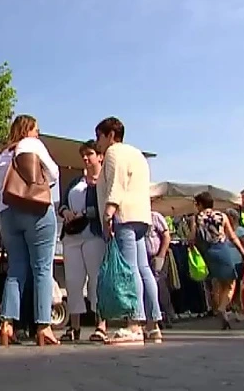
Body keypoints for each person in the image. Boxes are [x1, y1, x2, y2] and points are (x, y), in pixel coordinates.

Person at [0, 115, 60, 347]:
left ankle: (7, 324)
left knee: (16, 269)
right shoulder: (31, 145)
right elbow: (54, 173)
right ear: (26, 130)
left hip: (7, 213)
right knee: (42, 268)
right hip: (35, 210)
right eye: (36, 129)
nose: (38, 134)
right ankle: (43, 326)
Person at [94, 116, 161, 345]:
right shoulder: (137, 154)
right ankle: (154, 324)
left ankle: (134, 323)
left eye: (99, 136)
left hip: (124, 214)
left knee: (130, 268)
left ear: (110, 135)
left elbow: (117, 184)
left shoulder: (114, 153)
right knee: (143, 269)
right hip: (141, 215)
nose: (98, 142)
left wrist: (108, 212)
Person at [57, 140, 107, 342]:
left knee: (96, 280)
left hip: (93, 235)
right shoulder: (75, 181)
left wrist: (85, 213)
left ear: (100, 156)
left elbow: (106, 206)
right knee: (73, 281)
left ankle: (101, 324)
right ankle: (74, 325)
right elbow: (61, 204)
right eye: (83, 155)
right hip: (71, 237)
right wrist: (67, 212)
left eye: (90, 154)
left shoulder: (103, 181)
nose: (86, 158)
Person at [191, 192, 244, 329]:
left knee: (217, 283)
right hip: (222, 249)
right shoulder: (222, 216)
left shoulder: (196, 218)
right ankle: (223, 307)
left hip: (207, 253)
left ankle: (219, 307)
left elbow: (191, 238)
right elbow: (233, 237)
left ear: (200, 204)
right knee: (230, 282)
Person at [148, 210, 176, 328]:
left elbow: (166, 236)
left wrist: (161, 255)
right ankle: (153, 316)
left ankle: (168, 314)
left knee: (160, 285)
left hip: (157, 256)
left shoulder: (155, 216)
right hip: (144, 258)